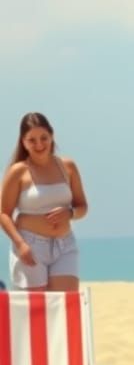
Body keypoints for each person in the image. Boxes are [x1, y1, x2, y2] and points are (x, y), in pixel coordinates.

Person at [0, 112, 88, 290]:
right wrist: (20, 244)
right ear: (23, 142)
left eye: (43, 138)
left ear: (52, 136)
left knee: (65, 303)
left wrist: (70, 213)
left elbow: (82, 207)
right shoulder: (18, 171)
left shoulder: (68, 167)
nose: (39, 144)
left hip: (65, 245)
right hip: (31, 247)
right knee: (36, 305)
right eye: (32, 140)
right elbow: (3, 214)